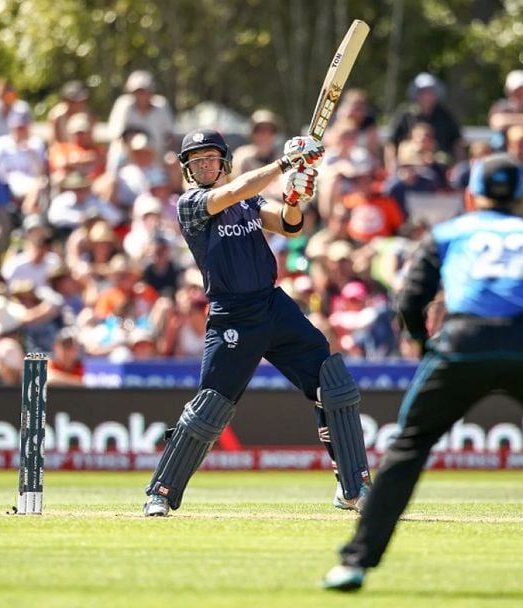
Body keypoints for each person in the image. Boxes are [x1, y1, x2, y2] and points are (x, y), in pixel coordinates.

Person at [322, 153, 523, 594]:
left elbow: (410, 300)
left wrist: (425, 345)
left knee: (409, 447)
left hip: (462, 344)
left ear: (471, 194)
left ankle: (355, 564)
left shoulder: (450, 232)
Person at [142, 128, 372, 517]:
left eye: (210, 158)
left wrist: (295, 196)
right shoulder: (191, 204)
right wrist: (286, 163)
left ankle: (354, 487)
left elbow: (288, 224)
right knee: (210, 406)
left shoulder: (249, 201)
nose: (203, 166)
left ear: (224, 161)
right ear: (187, 170)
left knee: (332, 384)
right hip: (232, 314)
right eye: (196, 161)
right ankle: (160, 492)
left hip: (272, 304)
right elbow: (230, 194)